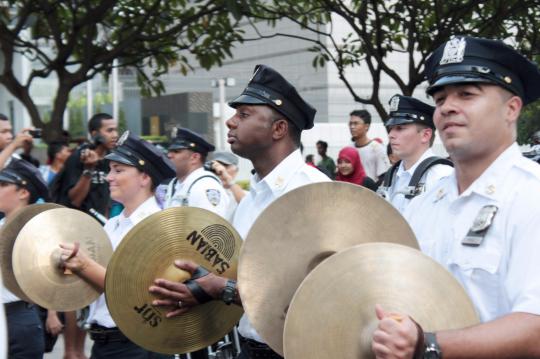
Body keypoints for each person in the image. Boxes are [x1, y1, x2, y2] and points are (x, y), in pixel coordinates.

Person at [371, 36, 540, 359]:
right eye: (440, 98)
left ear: (511, 108)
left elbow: (535, 328)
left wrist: (429, 344)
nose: (447, 106)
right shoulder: (426, 201)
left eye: (467, 94)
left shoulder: (531, 197)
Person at [148, 64, 330, 359]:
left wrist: (223, 289)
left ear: (278, 128)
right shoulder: (250, 201)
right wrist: (202, 283)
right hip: (250, 347)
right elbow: (245, 278)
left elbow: (317, 290)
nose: (231, 122)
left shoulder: (313, 192)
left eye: (243, 115)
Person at [59, 131, 176, 359]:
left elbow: (132, 291)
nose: (109, 177)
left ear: (145, 177)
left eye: (119, 170)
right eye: (110, 169)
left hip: (137, 344)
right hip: (107, 342)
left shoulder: (155, 225)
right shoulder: (113, 224)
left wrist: (83, 265)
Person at [0, 159, 53, 358]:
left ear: (23, 193)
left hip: (18, 316)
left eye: (4, 185)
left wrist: (52, 314)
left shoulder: (38, 230)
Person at [377, 95, 453, 214]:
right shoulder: (392, 175)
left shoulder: (442, 176)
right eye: (391, 128)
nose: (391, 134)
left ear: (425, 135)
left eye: (400, 128)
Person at [58, 113, 118, 217]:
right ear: (95, 134)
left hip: (104, 224)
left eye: (115, 130)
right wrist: (88, 170)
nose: (115, 135)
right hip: (80, 223)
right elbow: (75, 201)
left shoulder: (112, 159)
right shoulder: (78, 157)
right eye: (109, 130)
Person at [164, 128, 230, 220]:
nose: (169, 155)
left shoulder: (205, 187)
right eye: (169, 151)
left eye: (176, 151)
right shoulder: (175, 184)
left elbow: (212, 230)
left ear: (194, 157)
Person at [349, 109, 390, 182]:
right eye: (350, 123)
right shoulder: (349, 149)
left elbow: (384, 176)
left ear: (366, 126)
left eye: (356, 123)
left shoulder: (377, 149)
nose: (352, 127)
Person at [209, 151, 246, 220]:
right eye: (215, 167)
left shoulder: (243, 194)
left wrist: (229, 180)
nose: (219, 170)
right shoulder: (208, 191)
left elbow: (246, 205)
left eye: (225, 166)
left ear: (236, 170)